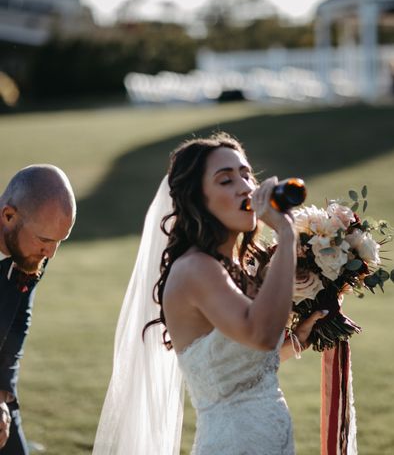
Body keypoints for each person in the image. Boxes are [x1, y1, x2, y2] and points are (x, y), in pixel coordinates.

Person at [93, 133, 325, 454]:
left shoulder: (243, 266)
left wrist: (298, 338)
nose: (245, 187)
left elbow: (241, 371)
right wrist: (286, 235)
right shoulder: (195, 270)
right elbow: (259, 334)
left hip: (273, 438)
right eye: (225, 180)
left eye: (246, 174)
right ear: (198, 200)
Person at [0, 165, 76, 454]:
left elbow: (18, 320)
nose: (51, 253)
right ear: (9, 216)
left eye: (60, 241)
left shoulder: (33, 250)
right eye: (45, 240)